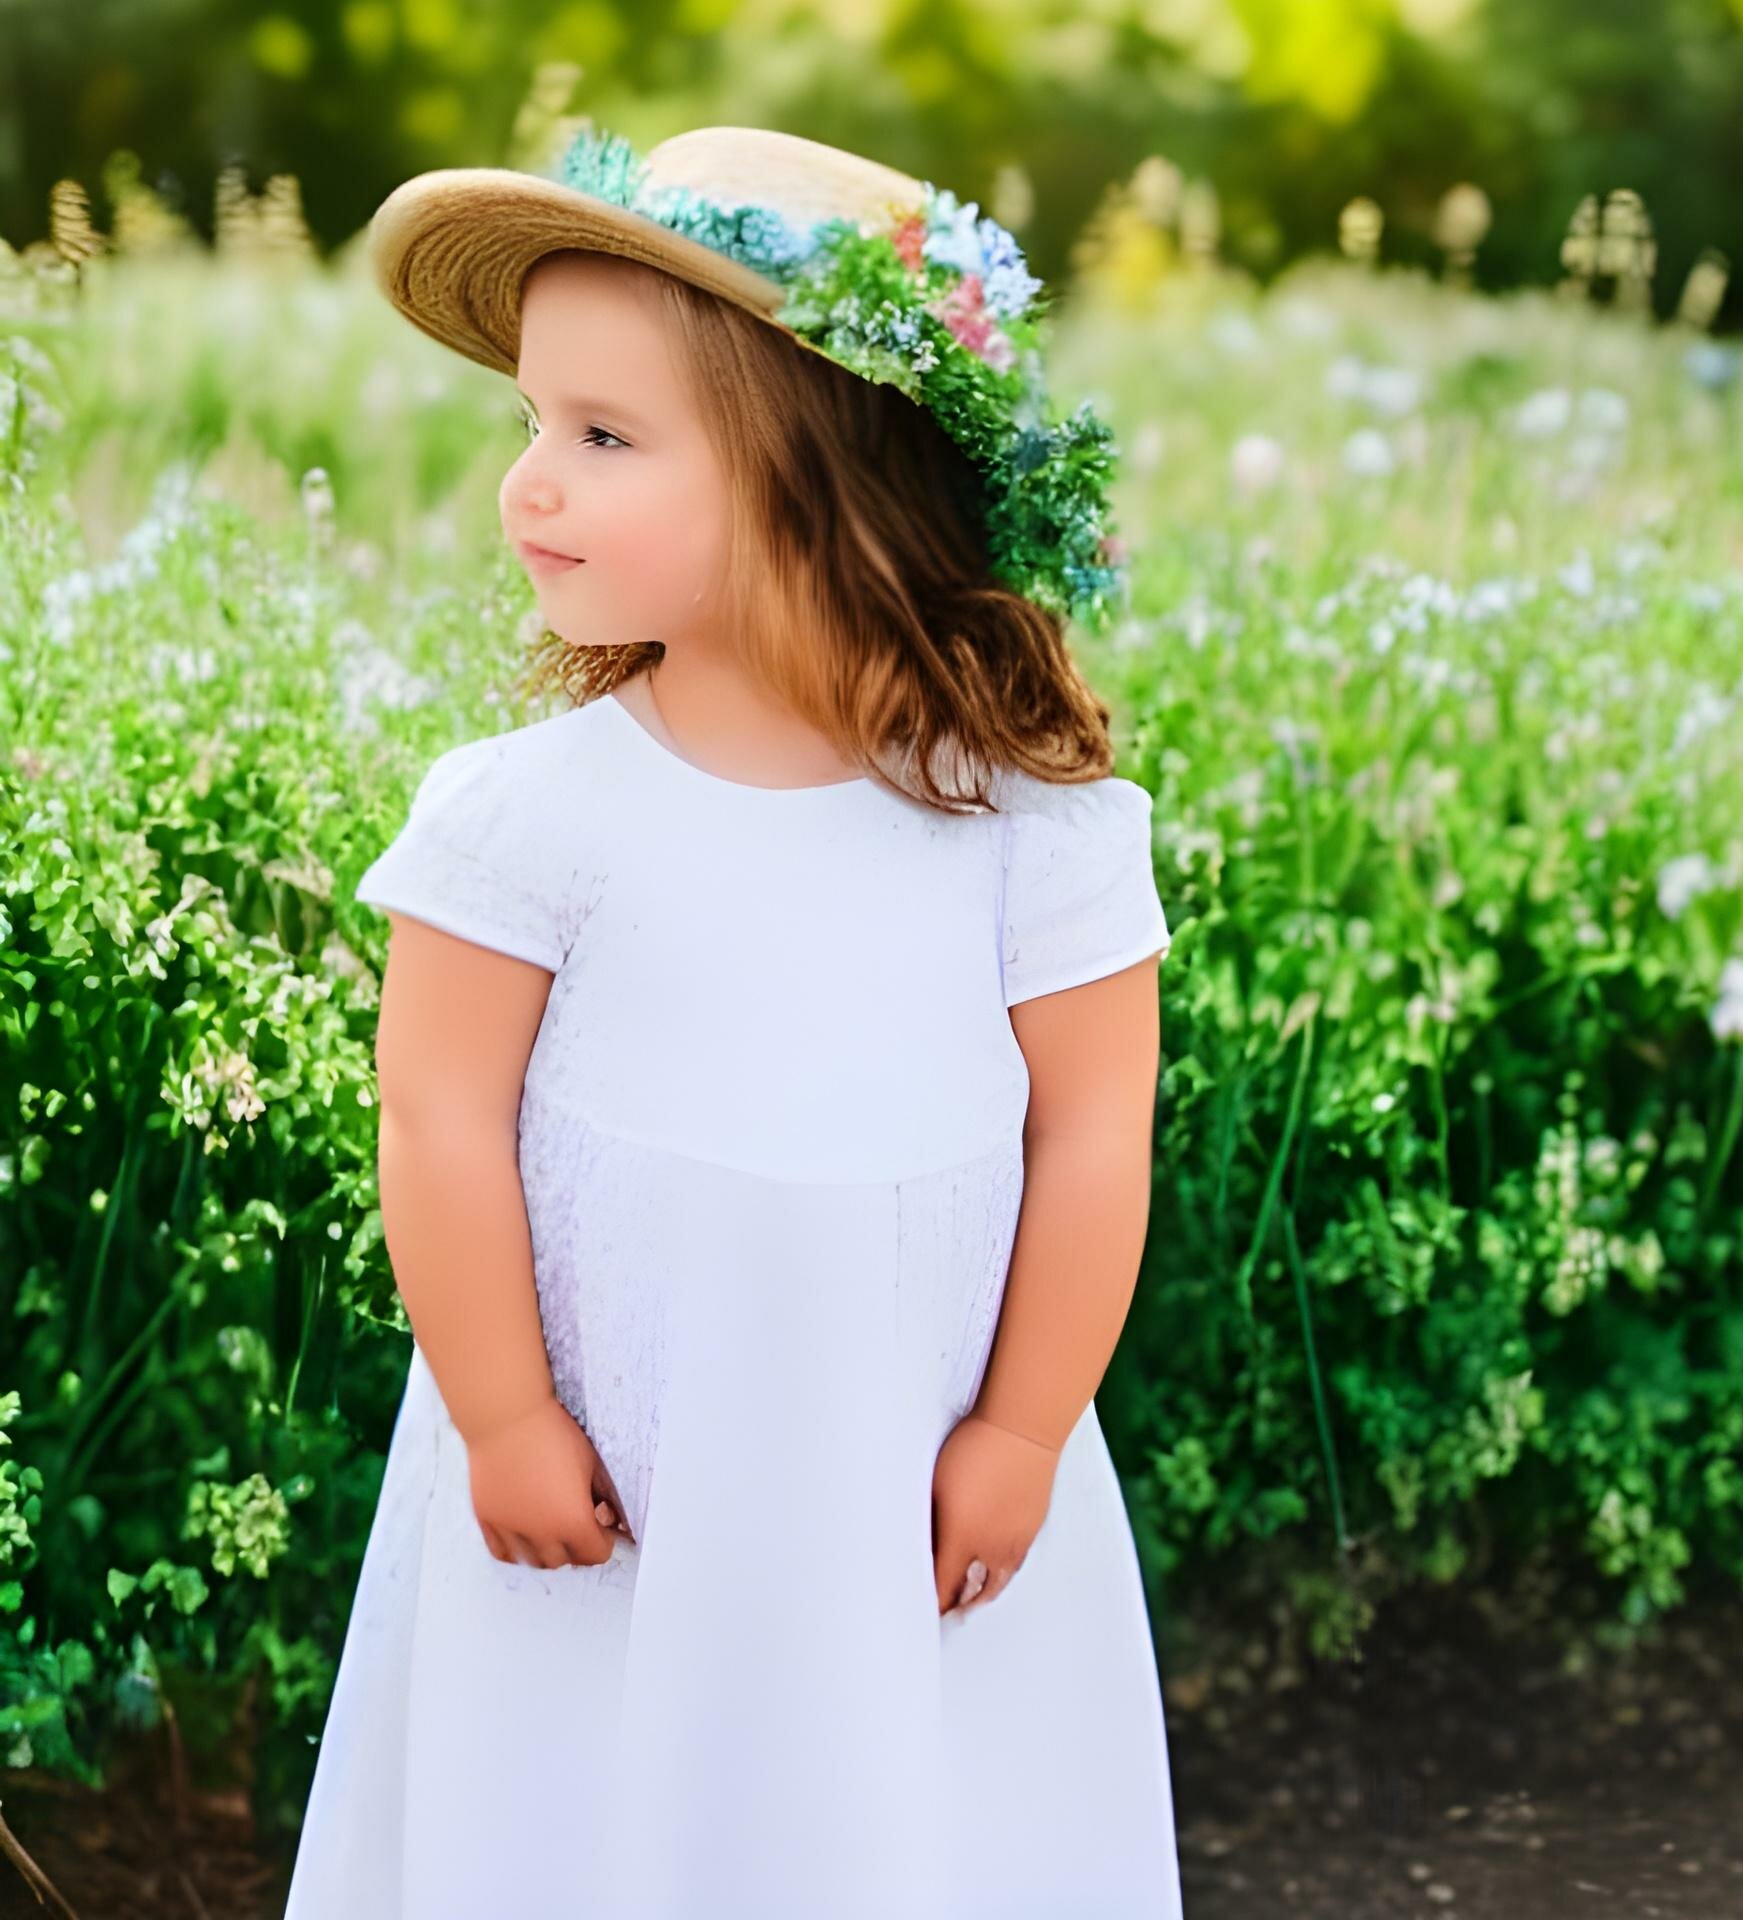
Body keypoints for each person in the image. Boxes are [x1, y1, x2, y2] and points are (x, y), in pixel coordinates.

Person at [284, 122, 1183, 1919]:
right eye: (529, 424)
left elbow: (1094, 1133)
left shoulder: (1028, 829)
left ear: (818, 480)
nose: (528, 486)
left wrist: (1019, 1433)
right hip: (613, 1474)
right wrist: (502, 1414)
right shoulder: (530, 817)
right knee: (588, 1802)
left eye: (603, 437)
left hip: (907, 1475)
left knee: (902, 1816)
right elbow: (439, 1118)